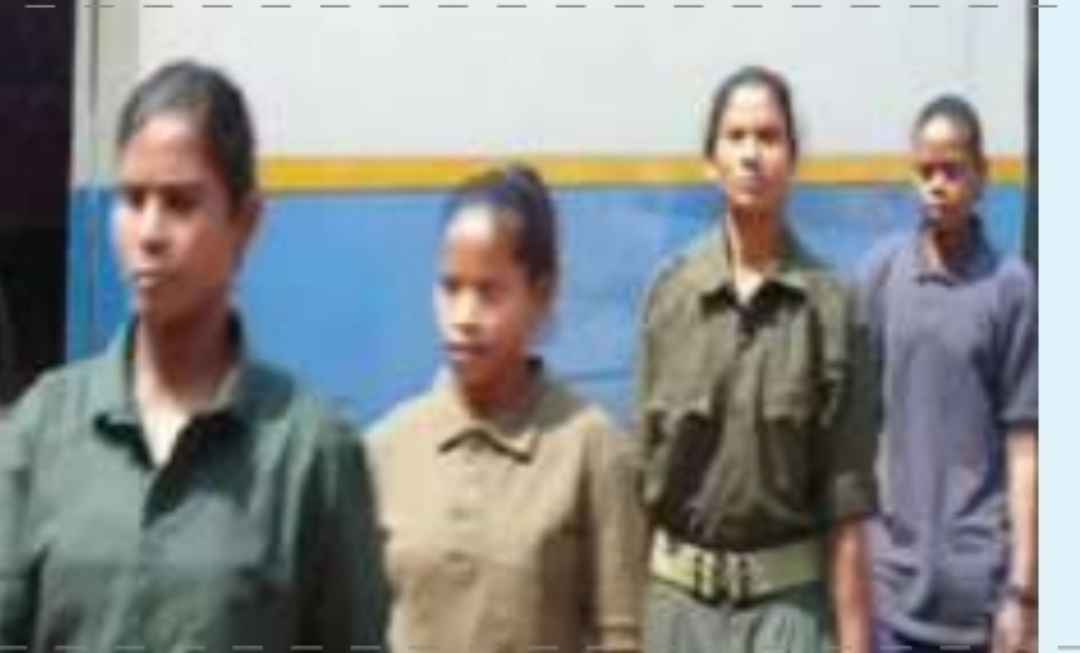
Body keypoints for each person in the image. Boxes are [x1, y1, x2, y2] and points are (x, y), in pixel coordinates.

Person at [0, 60, 389, 652]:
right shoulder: (41, 432)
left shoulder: (310, 455)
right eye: (133, 200)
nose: (150, 233)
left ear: (246, 222)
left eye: (180, 203)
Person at [637, 65, 879, 653]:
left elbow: (847, 511)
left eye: (769, 137)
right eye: (736, 137)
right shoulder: (670, 297)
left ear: (792, 160)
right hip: (677, 616)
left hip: (787, 618)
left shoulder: (831, 309)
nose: (751, 155)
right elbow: (640, 485)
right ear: (711, 161)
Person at [368, 163, 648, 653]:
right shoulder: (386, 450)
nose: (464, 317)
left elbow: (623, 633)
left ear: (541, 295)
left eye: (489, 292)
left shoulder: (592, 449)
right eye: (451, 288)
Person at [862, 95, 1038, 653]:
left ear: (981, 177)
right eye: (926, 171)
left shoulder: (1010, 288)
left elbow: (1025, 445)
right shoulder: (883, 276)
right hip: (891, 589)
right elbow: (857, 424)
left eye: (952, 170)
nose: (937, 185)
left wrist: (1022, 590)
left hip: (979, 593)